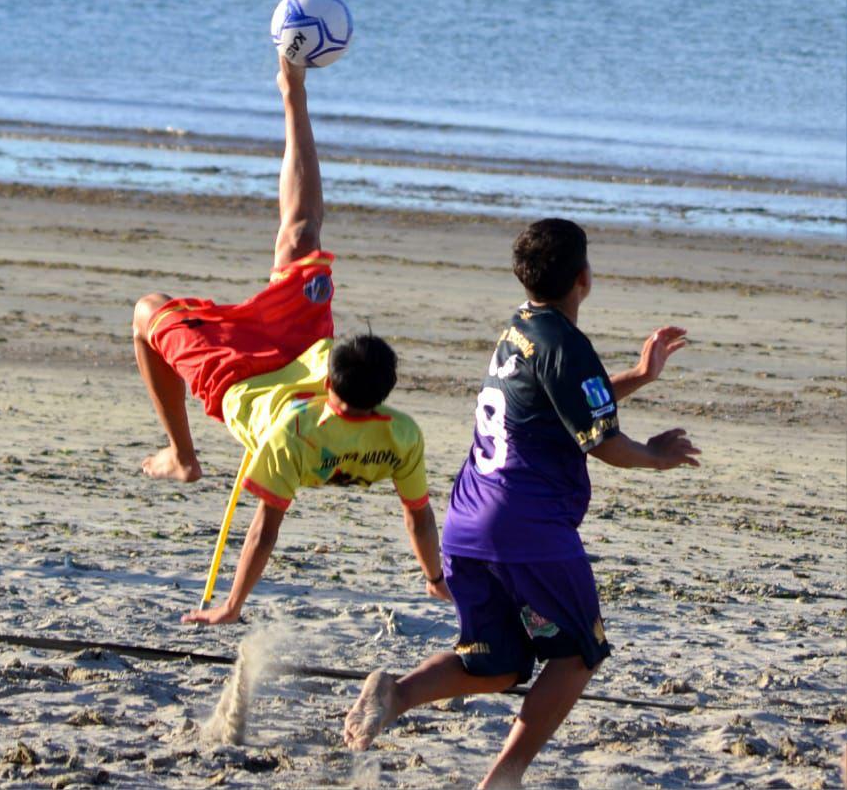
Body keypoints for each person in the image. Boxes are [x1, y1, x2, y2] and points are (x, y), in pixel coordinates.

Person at [344, 218, 700, 789]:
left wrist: (638, 375)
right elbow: (603, 442)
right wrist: (655, 456)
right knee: (578, 654)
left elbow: (561, 403)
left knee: (499, 663)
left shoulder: (520, 328)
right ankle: (502, 781)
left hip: (467, 522)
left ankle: (397, 694)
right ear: (584, 278)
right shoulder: (565, 343)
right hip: (525, 527)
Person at [131, 57, 450, 625]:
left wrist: (231, 606)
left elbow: (263, 531)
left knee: (145, 313)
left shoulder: (291, 439)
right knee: (302, 235)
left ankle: (182, 455)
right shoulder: (402, 432)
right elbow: (419, 517)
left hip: (241, 381)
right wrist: (435, 578)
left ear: (335, 383)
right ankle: (293, 91)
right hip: (300, 350)